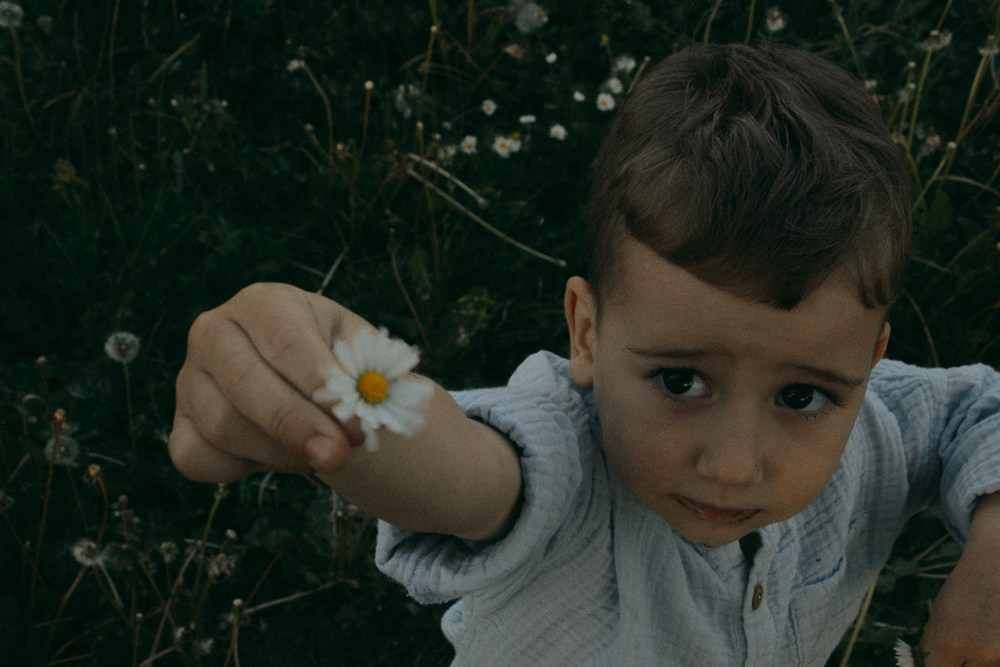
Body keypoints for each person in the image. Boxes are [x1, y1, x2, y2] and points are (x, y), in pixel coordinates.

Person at [168, 44, 1000, 665]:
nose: (738, 465)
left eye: (802, 397)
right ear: (587, 332)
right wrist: (344, 392)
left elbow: (977, 409)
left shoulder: (875, 426)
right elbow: (463, 468)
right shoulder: (567, 462)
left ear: (872, 358)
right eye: (682, 380)